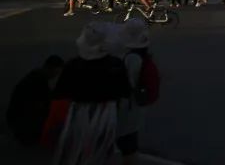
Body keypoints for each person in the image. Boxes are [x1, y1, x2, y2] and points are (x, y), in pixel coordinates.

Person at [52, 22, 131, 165]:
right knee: (101, 151)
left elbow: (59, 92)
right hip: (106, 112)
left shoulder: (73, 65)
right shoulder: (116, 64)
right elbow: (125, 91)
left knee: (76, 149)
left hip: (79, 111)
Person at [110, 19, 151, 164]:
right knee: (129, 138)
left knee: (127, 141)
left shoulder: (132, 58)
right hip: (135, 106)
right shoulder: (141, 55)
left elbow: (130, 83)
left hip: (128, 105)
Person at [5, 54, 64, 147]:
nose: (54, 76)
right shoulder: (38, 81)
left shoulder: (35, 78)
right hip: (23, 122)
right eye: (55, 73)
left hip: (18, 120)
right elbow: (43, 104)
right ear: (50, 68)